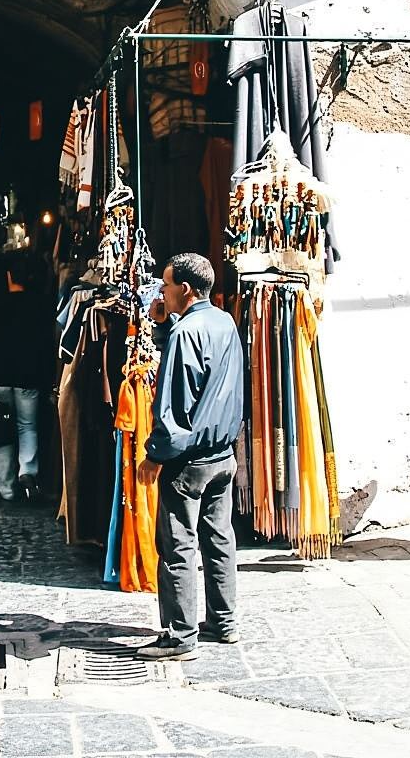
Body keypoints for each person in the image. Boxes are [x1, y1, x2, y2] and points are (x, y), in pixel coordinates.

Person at [135, 253, 244, 661]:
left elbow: (175, 401)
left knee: (178, 545)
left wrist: (155, 454)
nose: (162, 292)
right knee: (219, 539)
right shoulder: (223, 322)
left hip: (190, 459)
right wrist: (164, 324)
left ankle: (180, 635)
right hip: (222, 452)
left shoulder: (187, 333)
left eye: (165, 286)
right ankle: (223, 621)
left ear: (183, 288)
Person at [0, 256, 51, 502]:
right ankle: (27, 472)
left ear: (8, 277)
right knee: (27, 426)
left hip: (1, 375)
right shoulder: (39, 305)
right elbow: (44, 344)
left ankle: (5, 486)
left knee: (2, 428)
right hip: (28, 376)